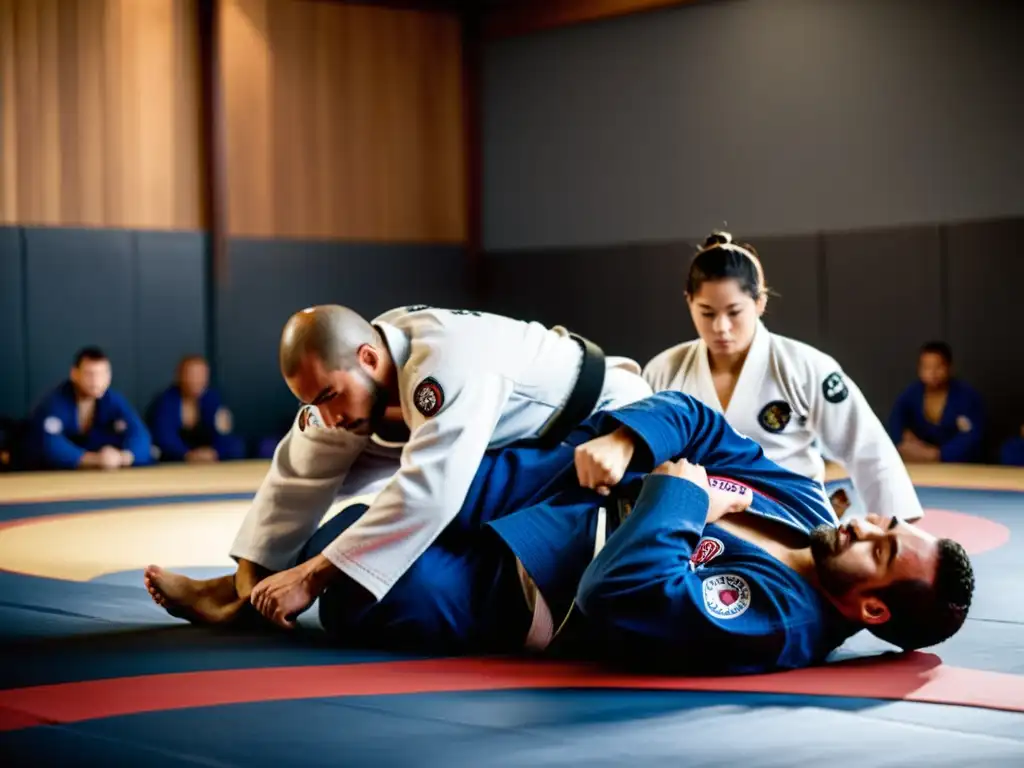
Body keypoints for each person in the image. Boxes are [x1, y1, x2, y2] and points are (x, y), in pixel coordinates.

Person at [286, 391, 972, 676]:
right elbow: (695, 418)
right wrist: (623, 442)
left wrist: (683, 497)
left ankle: (289, 578)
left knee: (359, 589)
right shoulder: (806, 506)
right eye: (881, 522)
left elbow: (619, 589)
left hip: (515, 592)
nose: (862, 523)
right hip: (554, 490)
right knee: (368, 522)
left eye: (876, 548)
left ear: (873, 608)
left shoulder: (777, 624)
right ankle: (252, 575)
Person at [144, 303, 652, 626]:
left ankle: (252, 595)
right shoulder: (360, 370)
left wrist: (311, 577)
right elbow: (295, 477)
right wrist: (252, 578)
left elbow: (430, 494)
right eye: (311, 399)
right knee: (323, 442)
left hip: (598, 427)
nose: (326, 412)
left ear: (367, 358)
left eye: (327, 394)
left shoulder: (445, 365)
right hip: (513, 439)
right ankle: (236, 595)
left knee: (430, 508)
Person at [642, 231, 924, 522]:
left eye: (734, 312)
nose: (721, 327)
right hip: (694, 528)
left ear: (760, 302)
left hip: (793, 524)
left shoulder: (805, 367)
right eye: (707, 313)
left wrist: (900, 528)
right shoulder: (664, 370)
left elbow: (866, 446)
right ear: (689, 301)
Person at [27, 347, 153, 470]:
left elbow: (140, 434)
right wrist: (96, 459)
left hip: (98, 476)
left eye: (102, 374)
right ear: (74, 374)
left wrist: (123, 457)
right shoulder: (55, 402)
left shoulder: (112, 400)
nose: (96, 381)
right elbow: (49, 444)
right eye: (89, 374)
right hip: (46, 474)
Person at [888, 341, 986, 464]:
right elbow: (896, 420)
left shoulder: (966, 396)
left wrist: (940, 454)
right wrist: (904, 437)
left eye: (938, 367)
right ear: (919, 369)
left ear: (950, 368)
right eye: (927, 368)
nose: (932, 373)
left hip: (956, 462)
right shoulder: (912, 393)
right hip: (919, 457)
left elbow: (972, 436)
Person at [147, 355, 247, 463]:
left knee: (236, 446)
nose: (197, 380)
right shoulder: (165, 401)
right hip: (178, 454)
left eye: (201, 375)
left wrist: (214, 452)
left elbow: (222, 432)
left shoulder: (212, 399)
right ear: (179, 376)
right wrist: (187, 454)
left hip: (206, 451)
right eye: (192, 375)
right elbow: (164, 437)